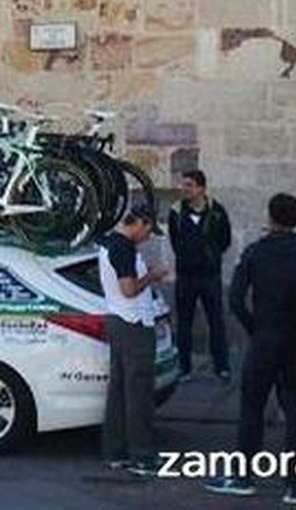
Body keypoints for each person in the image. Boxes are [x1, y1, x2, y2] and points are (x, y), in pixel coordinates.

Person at [207, 193, 296, 505]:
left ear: (271, 217)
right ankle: (295, 484)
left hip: (265, 339)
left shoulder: (255, 253)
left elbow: (235, 300)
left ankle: (244, 475)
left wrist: (255, 327)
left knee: (252, 408)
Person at [100, 204, 170, 477]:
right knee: (138, 392)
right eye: (148, 230)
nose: (148, 236)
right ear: (139, 223)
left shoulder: (110, 244)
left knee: (118, 392)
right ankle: (142, 455)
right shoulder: (123, 248)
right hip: (133, 324)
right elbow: (128, 289)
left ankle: (115, 451)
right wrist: (152, 276)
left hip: (118, 320)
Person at [167, 169, 233, 381]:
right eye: (184, 185)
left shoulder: (217, 212)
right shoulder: (176, 212)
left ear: (201, 188)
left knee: (216, 321)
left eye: (189, 185)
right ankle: (184, 368)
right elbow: (175, 241)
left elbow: (225, 239)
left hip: (210, 276)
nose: (185, 189)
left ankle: (222, 367)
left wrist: (211, 255)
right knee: (184, 323)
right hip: (186, 276)